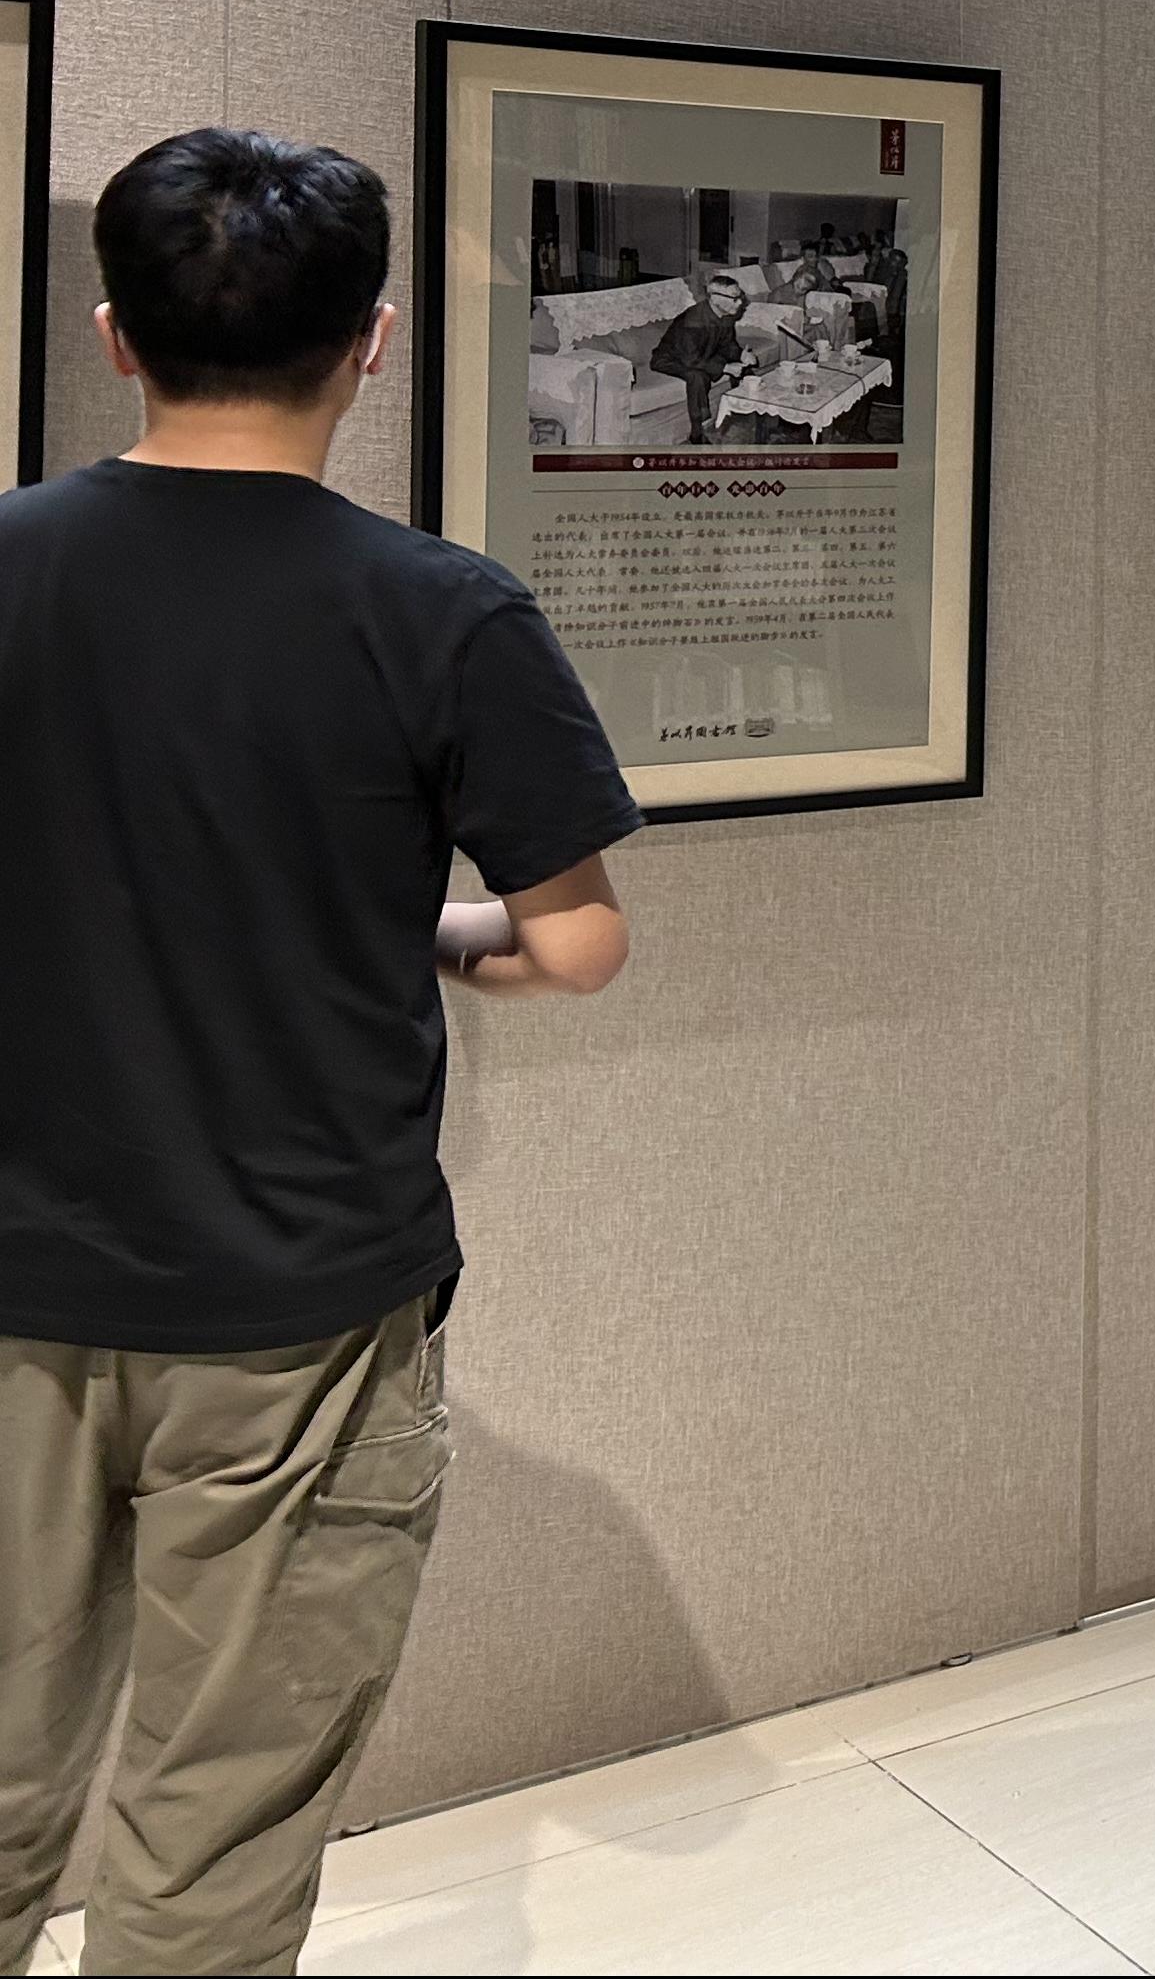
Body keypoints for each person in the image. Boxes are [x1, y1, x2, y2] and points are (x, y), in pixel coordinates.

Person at [0, 130, 641, 1979]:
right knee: (214, 1831)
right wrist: (435, 934)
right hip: (300, 1309)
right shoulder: (441, 608)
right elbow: (576, 941)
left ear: (115, 337)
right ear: (372, 343)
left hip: (11, 1281)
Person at [646, 266, 755, 436]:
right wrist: (725, 368)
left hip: (702, 353)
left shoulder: (726, 316)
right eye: (734, 298)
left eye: (740, 297)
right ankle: (699, 430)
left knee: (741, 366)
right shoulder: (693, 320)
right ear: (715, 298)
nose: (740, 302)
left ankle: (743, 408)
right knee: (697, 376)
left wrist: (742, 354)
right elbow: (690, 360)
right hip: (671, 358)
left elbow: (728, 345)